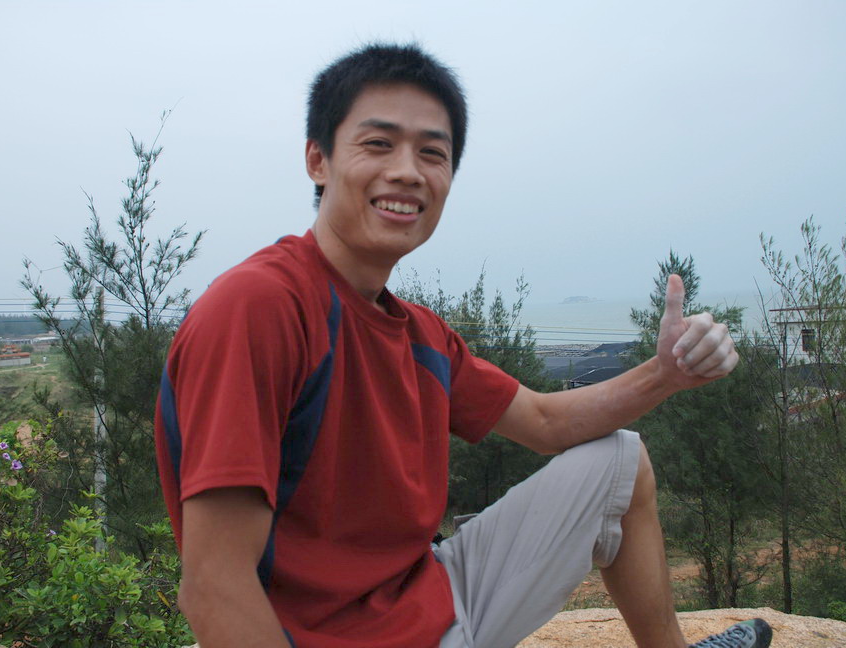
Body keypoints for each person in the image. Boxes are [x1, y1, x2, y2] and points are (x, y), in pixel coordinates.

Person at [154, 43, 772, 648]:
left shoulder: (420, 335)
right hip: (316, 634)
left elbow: (546, 422)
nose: (407, 171)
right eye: (378, 143)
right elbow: (214, 587)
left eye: (433, 152)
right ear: (318, 159)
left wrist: (666, 373)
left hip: (435, 597)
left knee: (620, 462)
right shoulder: (263, 306)